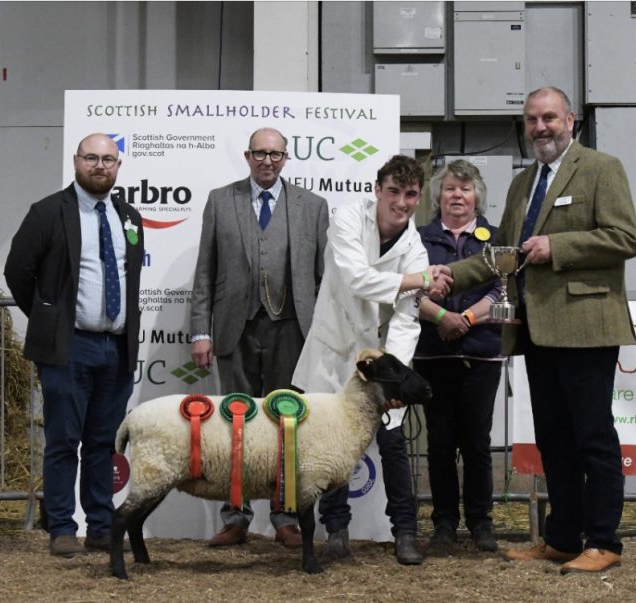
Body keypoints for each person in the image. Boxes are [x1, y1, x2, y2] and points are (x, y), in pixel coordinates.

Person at [444, 87, 636, 574]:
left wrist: (559, 246)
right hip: (537, 330)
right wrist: (441, 278)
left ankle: (604, 541)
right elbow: (501, 256)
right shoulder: (522, 183)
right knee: (554, 439)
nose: (540, 128)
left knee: (593, 437)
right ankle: (562, 537)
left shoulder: (601, 168)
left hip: (589, 327)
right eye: (532, 120)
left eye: (549, 118)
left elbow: (625, 238)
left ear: (570, 120)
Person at [291, 154, 452, 566]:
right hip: (335, 349)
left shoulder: (415, 247)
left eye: (411, 194)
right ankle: (337, 532)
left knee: (394, 442)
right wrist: (420, 280)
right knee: (329, 445)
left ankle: (405, 533)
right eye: (393, 192)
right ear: (377, 190)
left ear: (419, 198)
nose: (401, 202)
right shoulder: (346, 219)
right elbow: (356, 279)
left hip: (381, 359)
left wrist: (391, 382)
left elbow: (406, 318)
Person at [4, 133, 144, 557]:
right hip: (70, 347)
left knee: (103, 443)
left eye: (108, 159)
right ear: (76, 161)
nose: (100, 166)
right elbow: (17, 272)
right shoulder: (48, 212)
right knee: (64, 441)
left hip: (116, 348)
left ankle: (101, 527)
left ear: (118, 166)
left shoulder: (129, 215)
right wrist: (51, 319)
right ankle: (62, 528)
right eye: (91, 158)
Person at [190, 127, 329, 548]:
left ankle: (285, 518)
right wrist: (201, 330)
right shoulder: (220, 200)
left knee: (287, 427)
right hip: (235, 331)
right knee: (236, 426)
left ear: (286, 157)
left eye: (275, 154)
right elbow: (205, 272)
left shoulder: (314, 206)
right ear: (247, 156)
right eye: (259, 153)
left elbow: (325, 279)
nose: (267, 161)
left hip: (293, 331)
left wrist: (324, 336)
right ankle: (236, 519)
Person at [413, 160, 502, 553]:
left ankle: (481, 522)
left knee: (478, 443)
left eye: (465, 189)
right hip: (433, 355)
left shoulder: (495, 239)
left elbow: (503, 290)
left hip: (481, 355)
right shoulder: (416, 239)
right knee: (440, 443)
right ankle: (444, 523)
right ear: (438, 195)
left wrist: (464, 318)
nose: (457, 196)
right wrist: (441, 317)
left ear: (477, 196)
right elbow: (407, 291)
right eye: (450, 188)